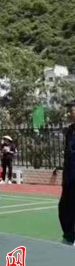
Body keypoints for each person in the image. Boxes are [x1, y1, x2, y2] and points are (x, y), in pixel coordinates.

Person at [59, 99, 75, 246]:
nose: (69, 113)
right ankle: (69, 236)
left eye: (71, 110)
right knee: (65, 207)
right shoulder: (70, 130)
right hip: (69, 176)